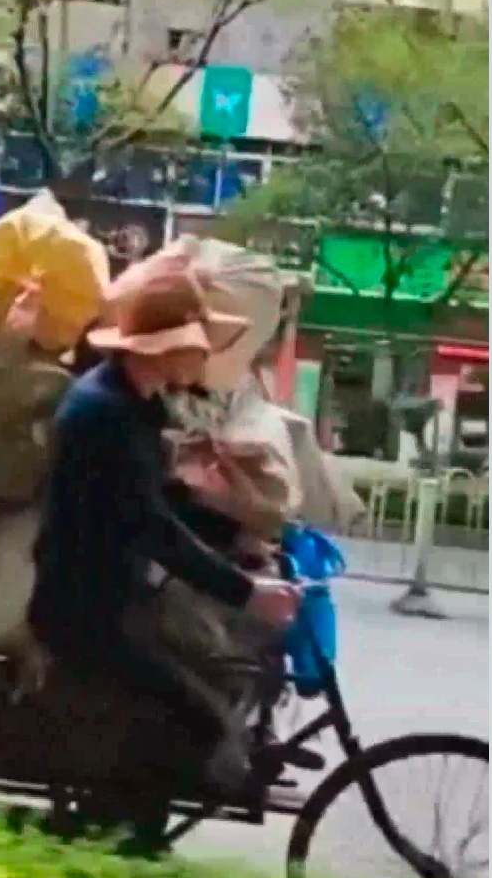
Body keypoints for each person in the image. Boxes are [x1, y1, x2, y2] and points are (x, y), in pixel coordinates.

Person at [28, 264, 301, 799]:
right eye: (197, 345)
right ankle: (120, 833)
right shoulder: (102, 413)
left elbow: (162, 501)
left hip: (122, 594)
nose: (204, 357)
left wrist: (237, 538)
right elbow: (150, 527)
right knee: (202, 721)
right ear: (167, 349)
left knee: (228, 665)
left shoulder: (136, 404)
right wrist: (246, 592)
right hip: (83, 611)